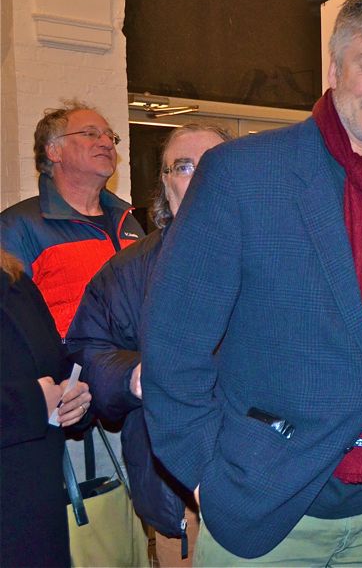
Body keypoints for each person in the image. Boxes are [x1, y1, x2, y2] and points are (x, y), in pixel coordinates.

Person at [141, 0, 362, 565]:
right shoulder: (241, 176)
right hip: (265, 515)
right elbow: (171, 343)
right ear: (334, 69)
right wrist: (208, 478)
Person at [65, 123, 232, 567]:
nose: (197, 176)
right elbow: (87, 350)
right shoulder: (126, 272)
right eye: (183, 166)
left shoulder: (280, 256)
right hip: (180, 497)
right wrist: (134, 376)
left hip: (280, 485)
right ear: (164, 181)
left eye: (212, 164)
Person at [0, 100, 144, 336]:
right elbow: (9, 322)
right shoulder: (16, 227)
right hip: (65, 371)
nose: (107, 143)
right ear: (54, 150)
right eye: (91, 134)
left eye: (111, 136)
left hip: (132, 366)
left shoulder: (128, 223)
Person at [1, 249, 92, 567]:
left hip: (40, 519)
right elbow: (36, 395)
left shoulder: (16, 283)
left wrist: (77, 396)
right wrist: (33, 402)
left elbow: (56, 364)